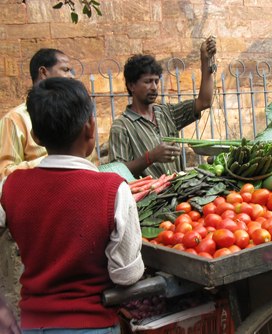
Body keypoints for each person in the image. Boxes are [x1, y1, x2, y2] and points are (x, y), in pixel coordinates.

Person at [0, 78, 144, 332]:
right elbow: (126, 275)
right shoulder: (113, 190)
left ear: (35, 135)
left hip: (32, 325)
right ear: (90, 126)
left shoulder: (9, 187)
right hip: (93, 324)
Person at [109, 37, 217, 177]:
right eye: (147, 82)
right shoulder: (121, 127)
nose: (154, 87)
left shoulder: (167, 113)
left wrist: (206, 61)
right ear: (131, 86)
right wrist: (150, 157)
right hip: (149, 197)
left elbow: (204, 102)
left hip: (177, 193)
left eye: (156, 81)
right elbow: (117, 173)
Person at [0, 48, 76, 179]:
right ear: (43, 72)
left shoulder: (74, 113)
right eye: (65, 70)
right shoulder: (15, 119)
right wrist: (52, 161)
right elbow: (4, 172)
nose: (71, 76)